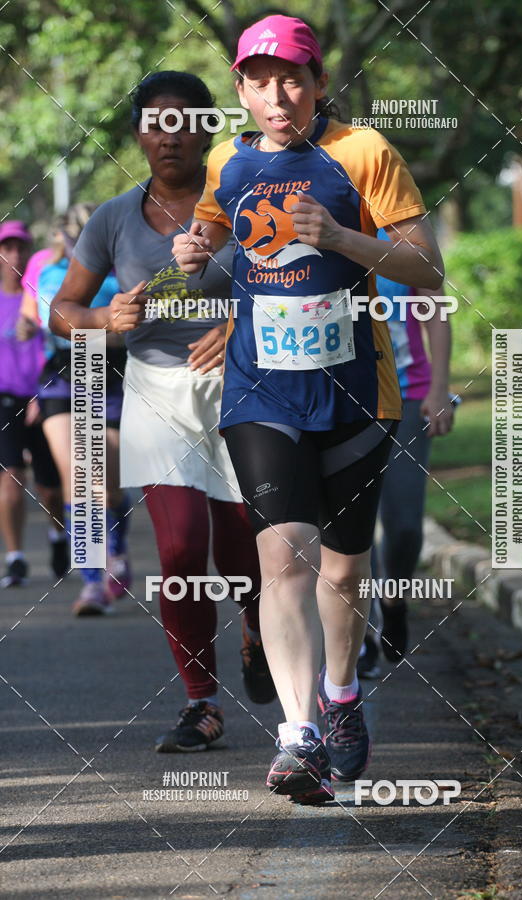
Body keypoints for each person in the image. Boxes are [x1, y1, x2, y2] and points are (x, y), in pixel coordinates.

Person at [173, 15, 444, 801]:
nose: (276, 94)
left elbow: (425, 268)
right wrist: (193, 262)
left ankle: (342, 694)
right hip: (262, 389)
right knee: (283, 555)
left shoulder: (363, 153)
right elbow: (208, 270)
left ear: (320, 83)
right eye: (259, 79)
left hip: (360, 387)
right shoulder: (225, 162)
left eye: (292, 77)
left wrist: (340, 236)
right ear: (241, 88)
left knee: (344, 572)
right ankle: (299, 738)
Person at [50, 71, 275, 752]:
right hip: (155, 393)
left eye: (183, 120)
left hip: (242, 391)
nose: (168, 134)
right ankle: (202, 705)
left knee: (246, 549)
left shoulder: (246, 200)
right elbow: (62, 310)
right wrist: (100, 317)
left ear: (207, 128)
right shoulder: (114, 218)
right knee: (179, 550)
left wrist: (239, 323)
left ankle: (262, 631)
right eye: (154, 122)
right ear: (140, 135)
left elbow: (298, 281)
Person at [18, 205, 132, 614]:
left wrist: (108, 328)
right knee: (78, 475)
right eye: (75, 234)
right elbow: (30, 319)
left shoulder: (121, 272)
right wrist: (27, 328)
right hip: (60, 378)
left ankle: (116, 550)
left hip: (110, 374)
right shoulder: (44, 271)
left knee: (108, 482)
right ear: (62, 236)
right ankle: (92, 583)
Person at [358, 249, 455, 679]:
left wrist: (439, 389)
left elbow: (434, 311)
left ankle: (393, 601)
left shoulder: (406, 231)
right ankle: (358, 635)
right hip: (341, 400)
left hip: (407, 396)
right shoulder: (317, 218)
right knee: (348, 528)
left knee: (403, 525)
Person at [0, 221, 66, 587]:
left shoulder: (44, 293)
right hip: (5, 399)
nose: (14, 255)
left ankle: (58, 537)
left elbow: (58, 345)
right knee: (10, 477)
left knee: (51, 488)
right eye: (6, 248)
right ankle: (16, 558)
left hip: (45, 395)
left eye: (20, 248)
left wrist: (45, 393)